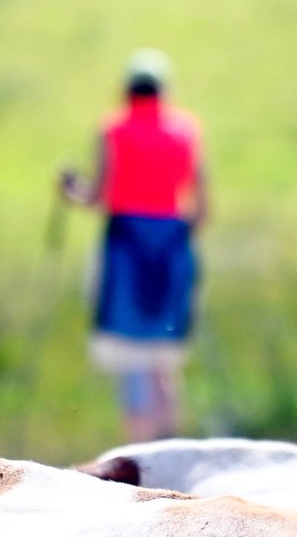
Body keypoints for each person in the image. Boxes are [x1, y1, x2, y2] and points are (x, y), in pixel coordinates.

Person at [60, 49, 207, 442]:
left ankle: (139, 448)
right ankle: (168, 444)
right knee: (164, 358)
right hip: (173, 247)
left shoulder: (114, 130)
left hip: (126, 247)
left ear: (127, 90)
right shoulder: (186, 131)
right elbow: (202, 208)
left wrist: (72, 191)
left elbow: (98, 197)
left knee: (131, 358)